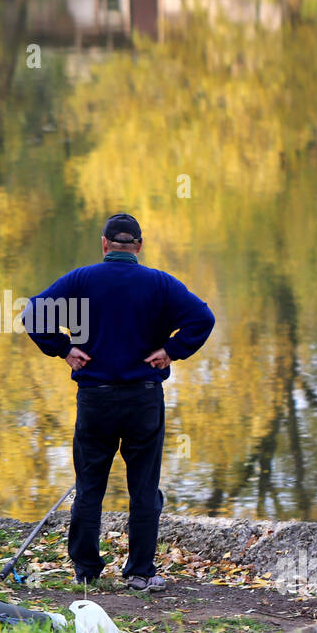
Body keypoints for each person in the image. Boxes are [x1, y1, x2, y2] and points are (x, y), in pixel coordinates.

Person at [23, 213, 214, 591]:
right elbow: (202, 318)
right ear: (138, 247)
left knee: (89, 484)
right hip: (143, 397)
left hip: (96, 399)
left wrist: (64, 348)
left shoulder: (81, 280)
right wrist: (171, 350)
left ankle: (86, 571)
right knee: (144, 488)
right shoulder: (159, 284)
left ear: (105, 244)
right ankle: (140, 572)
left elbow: (33, 313)